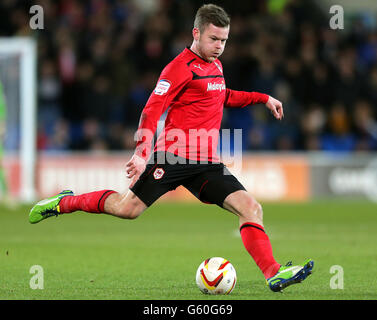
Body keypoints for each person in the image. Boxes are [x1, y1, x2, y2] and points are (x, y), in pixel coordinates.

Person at [29, 4, 313, 292]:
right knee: (127, 209)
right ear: (196, 32)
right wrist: (141, 154)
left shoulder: (215, 65)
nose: (219, 47)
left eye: (224, 41)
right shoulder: (178, 68)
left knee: (251, 207)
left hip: (206, 163)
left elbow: (221, 94)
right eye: (214, 39)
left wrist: (262, 97)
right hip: (172, 157)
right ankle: (64, 202)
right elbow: (152, 109)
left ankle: (273, 273)